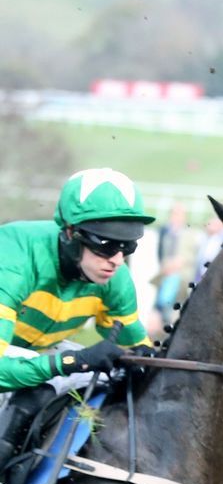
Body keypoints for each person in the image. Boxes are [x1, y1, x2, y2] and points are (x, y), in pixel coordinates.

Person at [0, 168, 156, 399]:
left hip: (31, 350)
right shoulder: (14, 260)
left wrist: (148, 358)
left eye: (127, 246)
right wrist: (74, 361)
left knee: (114, 380)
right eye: (106, 244)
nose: (117, 260)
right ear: (71, 232)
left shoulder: (114, 278)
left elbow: (140, 351)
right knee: (43, 386)